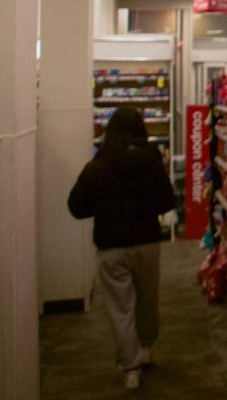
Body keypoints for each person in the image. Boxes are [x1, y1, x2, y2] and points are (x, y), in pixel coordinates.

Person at [68, 107, 175, 390]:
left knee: (120, 307)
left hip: (111, 246)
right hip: (147, 242)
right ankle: (148, 347)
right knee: (148, 299)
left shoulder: (99, 161)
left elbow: (76, 206)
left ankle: (130, 368)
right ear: (141, 128)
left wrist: (102, 207)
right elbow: (167, 200)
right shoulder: (151, 158)